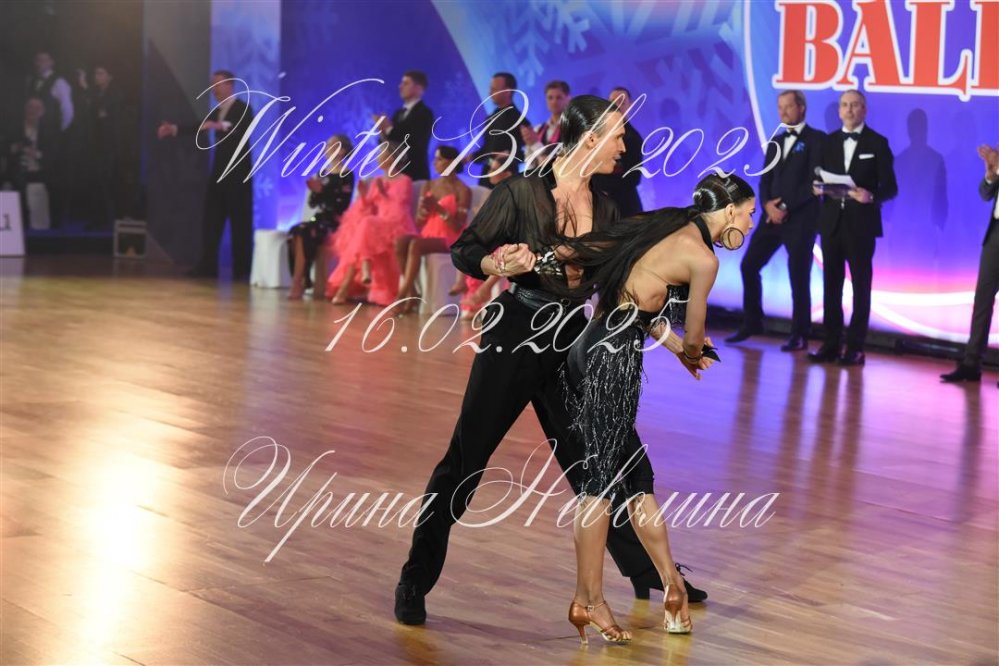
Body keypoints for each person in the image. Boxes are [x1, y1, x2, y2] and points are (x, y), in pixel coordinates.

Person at [394, 95, 703, 627]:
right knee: (465, 461)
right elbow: (467, 249)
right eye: (617, 137)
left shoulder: (608, 207)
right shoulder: (519, 193)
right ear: (589, 139)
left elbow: (620, 289)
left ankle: (649, 572)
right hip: (515, 332)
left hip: (573, 338)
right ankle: (414, 579)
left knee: (608, 458)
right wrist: (496, 263)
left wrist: (675, 343)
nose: (624, 146)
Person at [553, 173, 754, 643]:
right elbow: (694, 334)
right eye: (749, 213)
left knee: (636, 478)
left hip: (590, 349)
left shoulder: (664, 228)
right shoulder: (702, 258)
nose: (749, 223)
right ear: (729, 211)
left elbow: (637, 311)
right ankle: (588, 600)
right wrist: (692, 351)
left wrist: (681, 351)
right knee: (600, 486)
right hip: (611, 362)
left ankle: (672, 589)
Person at [727, 90, 824, 351]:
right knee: (749, 265)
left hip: (801, 219)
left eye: (788, 106)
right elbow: (765, 180)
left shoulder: (817, 140)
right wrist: (768, 205)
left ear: (801, 108)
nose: (783, 112)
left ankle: (800, 333)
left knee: (798, 276)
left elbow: (814, 182)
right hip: (772, 218)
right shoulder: (776, 142)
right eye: (780, 107)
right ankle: (752, 322)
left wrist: (784, 206)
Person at [808, 90, 897, 366]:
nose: (849, 110)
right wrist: (816, 187)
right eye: (845, 105)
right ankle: (831, 344)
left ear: (864, 110)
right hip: (831, 223)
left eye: (855, 105)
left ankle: (855, 347)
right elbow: (816, 175)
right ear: (839, 111)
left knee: (861, 286)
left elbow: (891, 187)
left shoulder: (878, 143)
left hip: (861, 226)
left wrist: (872, 196)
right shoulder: (828, 141)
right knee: (831, 286)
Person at [157, 70, 256, 280]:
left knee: (240, 223)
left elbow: (238, 128)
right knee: (211, 221)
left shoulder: (243, 108)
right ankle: (207, 266)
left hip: (238, 176)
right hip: (219, 174)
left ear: (230, 85)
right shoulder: (217, 111)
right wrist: (174, 129)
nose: (214, 89)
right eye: (213, 85)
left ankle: (242, 270)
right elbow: (200, 126)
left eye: (218, 84)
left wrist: (218, 125)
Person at [327, 142, 414, 305]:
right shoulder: (376, 181)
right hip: (378, 225)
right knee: (365, 226)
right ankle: (362, 269)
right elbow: (369, 206)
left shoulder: (405, 180)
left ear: (392, 157)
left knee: (366, 225)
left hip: (397, 225)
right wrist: (363, 195)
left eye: (382, 154)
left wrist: (384, 193)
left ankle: (346, 287)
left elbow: (400, 204)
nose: (378, 158)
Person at [941, 142, 999, 384]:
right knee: (982, 301)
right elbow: (985, 194)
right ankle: (971, 363)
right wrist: (991, 174)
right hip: (995, 236)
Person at [394, 145, 471, 313]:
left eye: (439, 159)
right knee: (400, 242)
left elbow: (458, 226)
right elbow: (418, 222)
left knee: (416, 245)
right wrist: (425, 211)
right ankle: (412, 292)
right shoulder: (429, 185)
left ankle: (402, 296)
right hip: (428, 233)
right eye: (435, 159)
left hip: (450, 237)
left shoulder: (463, 189)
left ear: (451, 162)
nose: (435, 163)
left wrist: (439, 209)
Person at [287, 135, 355, 300]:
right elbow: (313, 203)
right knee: (296, 231)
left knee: (305, 231)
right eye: (327, 145)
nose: (327, 148)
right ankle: (302, 279)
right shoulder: (322, 173)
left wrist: (322, 191)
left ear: (342, 150)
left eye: (332, 145)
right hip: (319, 218)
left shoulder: (347, 175)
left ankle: (298, 282)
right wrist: (315, 192)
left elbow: (342, 205)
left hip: (335, 220)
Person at [592, 86, 644, 217]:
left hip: (624, 208)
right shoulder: (598, 135)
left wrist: (603, 188)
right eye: (612, 101)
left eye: (622, 101)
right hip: (600, 205)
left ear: (630, 105)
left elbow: (633, 178)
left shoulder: (633, 139)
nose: (616, 105)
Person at [470, 72, 528, 188]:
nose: (490, 93)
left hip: (505, 178)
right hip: (487, 174)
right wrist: (469, 158)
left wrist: (509, 155)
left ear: (508, 91)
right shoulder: (490, 118)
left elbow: (529, 152)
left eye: (494, 89)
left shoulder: (519, 120)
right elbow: (488, 148)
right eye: (490, 89)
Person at [375, 70, 434, 182]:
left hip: (415, 174)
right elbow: (390, 141)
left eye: (406, 83)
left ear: (418, 88)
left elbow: (413, 141)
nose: (400, 86)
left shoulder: (425, 113)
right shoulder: (398, 113)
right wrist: (382, 132)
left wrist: (388, 128)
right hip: (394, 174)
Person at [521, 80, 571, 164]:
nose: (554, 102)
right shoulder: (537, 129)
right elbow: (529, 162)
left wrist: (535, 144)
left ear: (568, 99)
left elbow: (560, 162)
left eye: (559, 97)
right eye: (550, 98)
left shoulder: (573, 129)